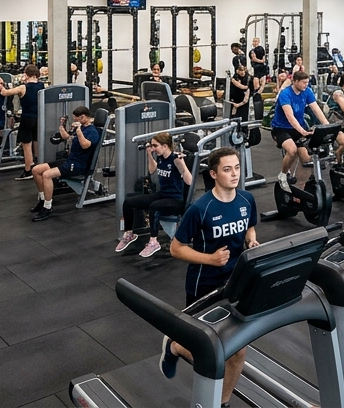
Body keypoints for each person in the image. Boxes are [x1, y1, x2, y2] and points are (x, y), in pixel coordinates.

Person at [160, 147, 259, 407]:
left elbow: (250, 226)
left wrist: (251, 240)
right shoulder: (200, 209)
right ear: (214, 174)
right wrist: (211, 259)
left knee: (237, 350)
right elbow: (176, 248)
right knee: (210, 351)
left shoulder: (246, 199)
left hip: (236, 283)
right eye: (227, 169)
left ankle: (222, 403)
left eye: (237, 167)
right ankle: (174, 347)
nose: (234, 174)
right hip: (204, 286)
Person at [116, 132, 193, 258]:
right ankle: (129, 234)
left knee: (154, 206)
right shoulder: (161, 157)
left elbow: (189, 181)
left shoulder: (175, 159)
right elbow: (152, 170)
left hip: (176, 199)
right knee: (129, 202)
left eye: (155, 146)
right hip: (163, 194)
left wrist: (182, 165)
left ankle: (153, 241)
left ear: (165, 146)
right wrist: (149, 154)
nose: (153, 148)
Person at [30, 106, 99, 221]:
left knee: (47, 175)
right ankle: (42, 200)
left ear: (83, 117)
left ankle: (47, 207)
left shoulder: (92, 131)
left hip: (79, 165)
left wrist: (79, 131)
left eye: (76, 119)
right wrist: (62, 125)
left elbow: (85, 145)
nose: (75, 121)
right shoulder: (81, 126)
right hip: (70, 160)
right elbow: (67, 137)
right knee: (36, 170)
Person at [271, 71, 328, 190]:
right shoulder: (285, 94)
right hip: (281, 129)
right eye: (304, 82)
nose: (306, 85)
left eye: (307, 82)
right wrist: (302, 131)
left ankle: (304, 183)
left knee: (306, 159)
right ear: (295, 81)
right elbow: (290, 116)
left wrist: (327, 125)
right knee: (292, 150)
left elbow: (316, 109)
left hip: (298, 128)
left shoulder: (307, 92)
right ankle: (282, 175)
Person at [1, 66, 43, 179]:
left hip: (27, 118)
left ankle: (28, 170)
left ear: (26, 74)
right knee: (37, 141)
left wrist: (2, 85)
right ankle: (39, 166)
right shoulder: (43, 86)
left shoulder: (23, 87)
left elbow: (5, 93)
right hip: (39, 118)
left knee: (26, 144)